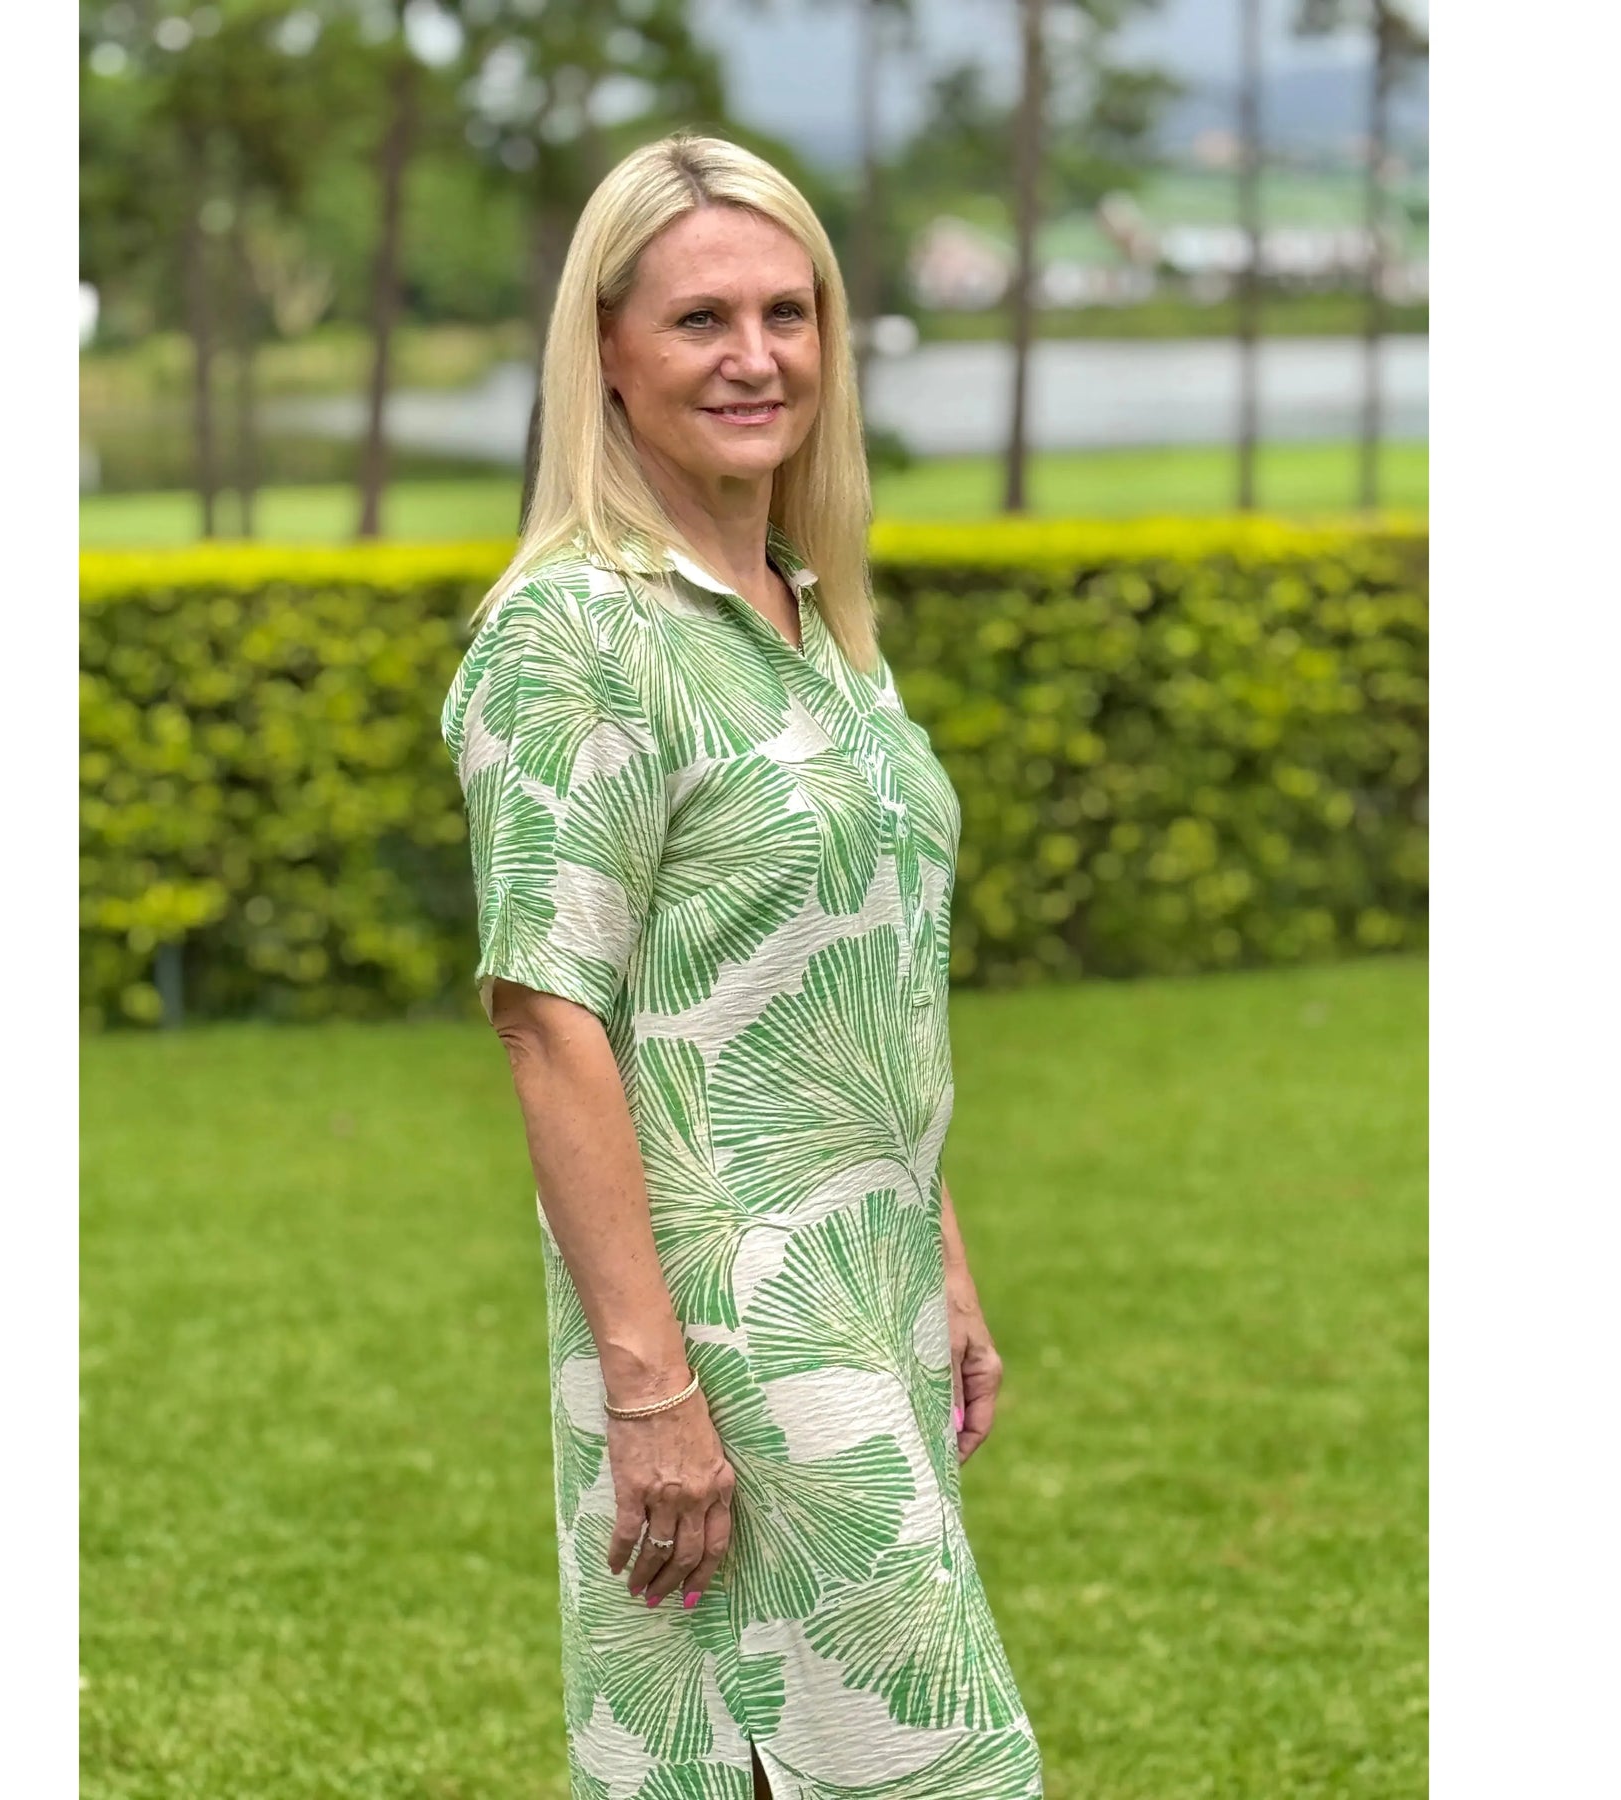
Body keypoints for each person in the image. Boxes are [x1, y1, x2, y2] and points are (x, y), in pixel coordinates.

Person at [439, 132, 1043, 1800]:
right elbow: (546, 1018)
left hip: (865, 1294)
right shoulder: (575, 636)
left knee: (778, 1760)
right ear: (607, 353)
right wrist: (650, 1393)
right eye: (701, 319)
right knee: (921, 1763)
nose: (756, 356)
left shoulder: (814, 622)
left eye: (791, 312)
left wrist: (943, 1264)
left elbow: (844, 987)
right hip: (724, 1323)